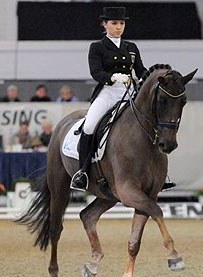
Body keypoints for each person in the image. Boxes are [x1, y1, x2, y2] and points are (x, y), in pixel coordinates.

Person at [70, 7, 175, 191]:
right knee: (89, 125)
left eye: (121, 23)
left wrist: (150, 78)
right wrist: (113, 77)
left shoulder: (131, 47)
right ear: (105, 24)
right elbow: (96, 72)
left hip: (130, 93)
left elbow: (141, 70)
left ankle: (160, 174)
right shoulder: (97, 47)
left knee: (152, 124)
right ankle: (83, 172)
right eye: (114, 23)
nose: (118, 27)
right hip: (108, 93)